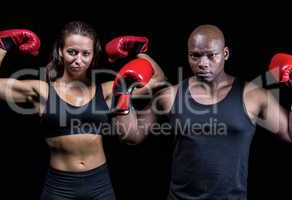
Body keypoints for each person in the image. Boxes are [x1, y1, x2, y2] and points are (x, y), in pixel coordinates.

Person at [113, 24, 292, 200]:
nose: (203, 63)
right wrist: (123, 93)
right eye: (196, 56)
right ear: (188, 55)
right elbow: (132, 136)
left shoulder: (252, 96)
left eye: (211, 55)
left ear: (225, 54)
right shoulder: (171, 96)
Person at [0, 21, 165, 200]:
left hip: (100, 185)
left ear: (92, 55)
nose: (78, 60)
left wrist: (139, 51)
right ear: (61, 51)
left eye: (85, 54)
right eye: (72, 52)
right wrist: (5, 45)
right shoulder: (43, 91)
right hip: (59, 187)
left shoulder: (108, 90)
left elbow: (159, 81)